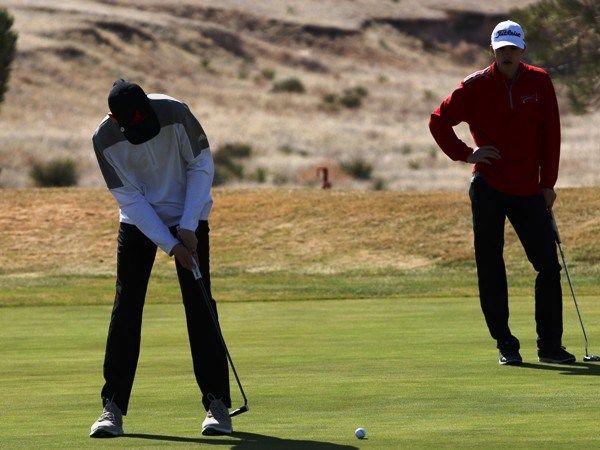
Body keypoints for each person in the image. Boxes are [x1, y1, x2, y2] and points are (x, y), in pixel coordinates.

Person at [89, 80, 232, 437]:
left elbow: (201, 165)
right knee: (126, 306)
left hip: (189, 212)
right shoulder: (104, 139)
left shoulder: (175, 112)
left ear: (149, 107)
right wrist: (170, 245)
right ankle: (112, 408)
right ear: (116, 120)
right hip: (139, 220)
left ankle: (217, 404)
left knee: (199, 303)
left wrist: (188, 226)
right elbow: (130, 198)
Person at [429, 20, 575, 365]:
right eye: (501, 49)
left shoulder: (540, 81)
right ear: (492, 51)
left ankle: (550, 346)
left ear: (521, 49)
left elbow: (550, 136)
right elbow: (438, 120)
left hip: (528, 188)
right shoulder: (475, 86)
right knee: (490, 265)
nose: (507, 54)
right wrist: (466, 154)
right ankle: (506, 344)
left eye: (512, 48)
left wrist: (548, 184)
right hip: (489, 187)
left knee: (547, 266)